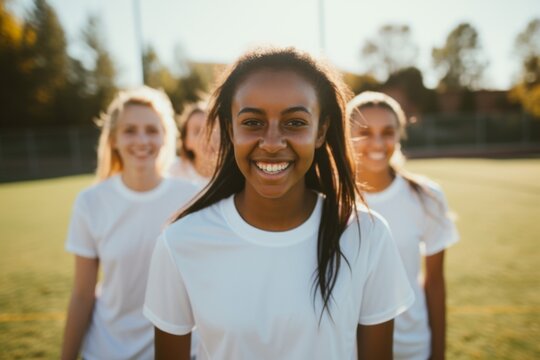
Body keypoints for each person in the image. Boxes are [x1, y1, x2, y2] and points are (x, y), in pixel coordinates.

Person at [143, 47, 414, 360]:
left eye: (295, 122)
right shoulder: (180, 242)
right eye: (253, 122)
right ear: (231, 129)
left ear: (321, 130)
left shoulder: (368, 235)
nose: (272, 143)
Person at [61, 86, 199, 360]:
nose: (142, 140)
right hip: (107, 349)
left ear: (164, 137)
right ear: (113, 139)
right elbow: (82, 293)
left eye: (151, 130)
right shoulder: (91, 202)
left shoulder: (191, 197)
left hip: (179, 351)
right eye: (130, 130)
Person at [347, 91, 459, 360]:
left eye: (387, 131)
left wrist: (438, 353)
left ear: (399, 134)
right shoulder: (328, 198)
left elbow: (434, 283)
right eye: (364, 132)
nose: (376, 142)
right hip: (346, 348)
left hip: (412, 346)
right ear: (345, 136)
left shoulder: (426, 196)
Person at [168, 102, 218, 186]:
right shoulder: (173, 172)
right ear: (186, 142)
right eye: (197, 131)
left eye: (212, 129)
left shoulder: (234, 174)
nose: (207, 137)